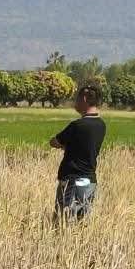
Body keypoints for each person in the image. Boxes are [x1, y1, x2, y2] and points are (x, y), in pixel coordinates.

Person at [50, 83, 106, 222]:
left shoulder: (77, 125)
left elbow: (55, 142)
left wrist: (65, 146)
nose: (75, 102)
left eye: (77, 99)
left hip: (73, 180)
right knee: (82, 223)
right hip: (90, 181)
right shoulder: (101, 125)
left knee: (65, 221)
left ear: (85, 99)